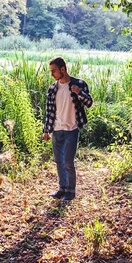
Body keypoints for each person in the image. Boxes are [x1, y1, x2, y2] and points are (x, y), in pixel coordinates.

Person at [42, 56, 93, 201]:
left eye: (54, 71)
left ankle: (71, 191)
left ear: (63, 69)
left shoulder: (79, 84)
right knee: (59, 161)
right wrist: (47, 129)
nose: (52, 74)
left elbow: (89, 102)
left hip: (72, 129)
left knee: (68, 162)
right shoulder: (53, 88)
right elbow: (49, 111)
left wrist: (79, 93)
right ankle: (62, 188)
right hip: (57, 129)